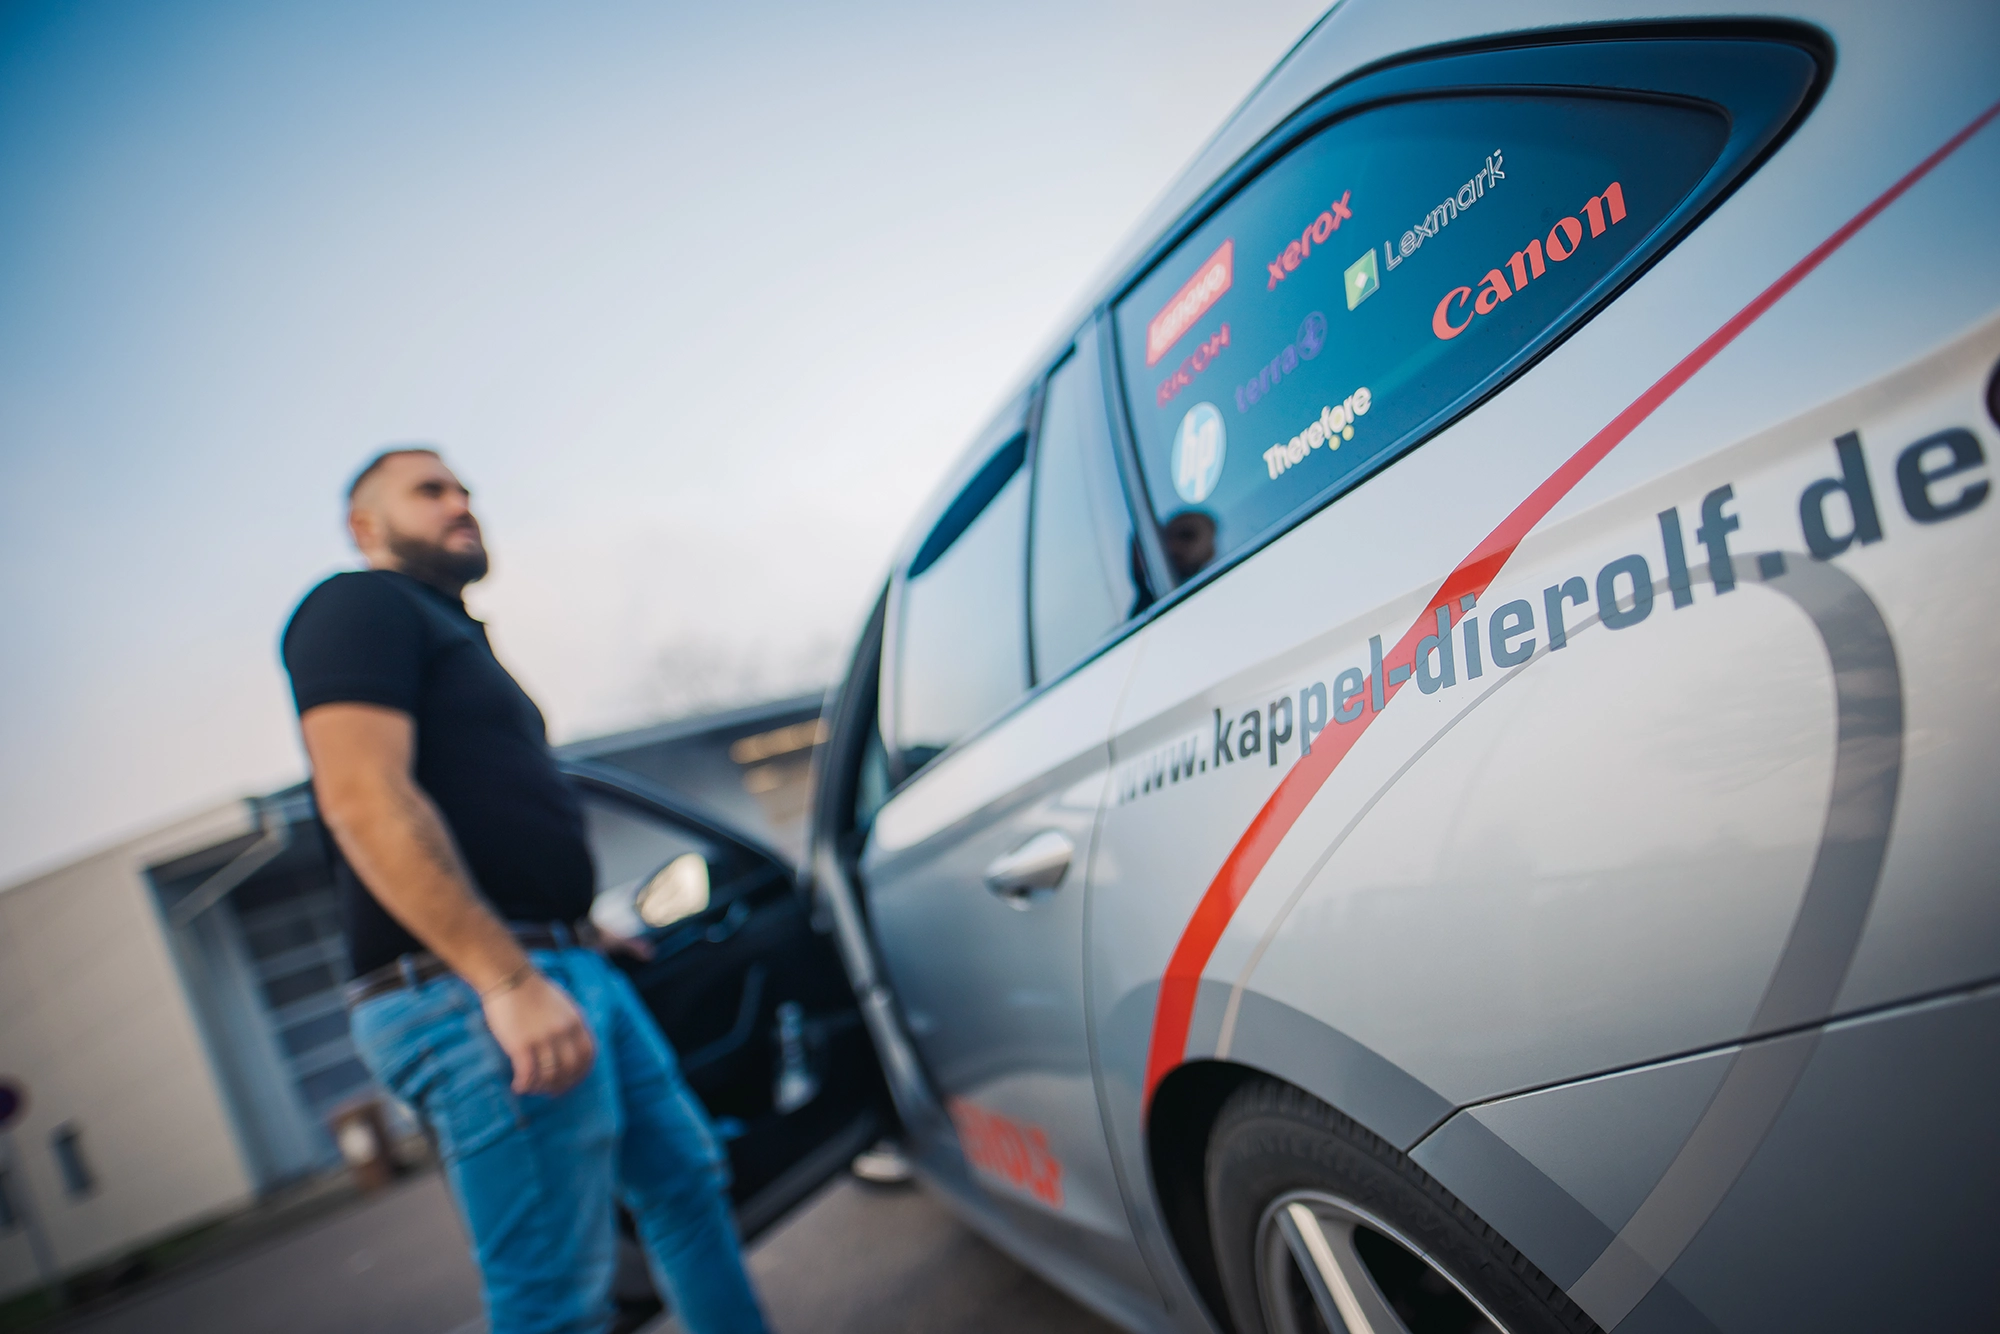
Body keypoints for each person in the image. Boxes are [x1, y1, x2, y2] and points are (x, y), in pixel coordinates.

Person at [280, 447, 768, 1334]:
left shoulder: (459, 639)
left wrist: (580, 930)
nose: (460, 503)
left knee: (688, 1190)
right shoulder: (355, 606)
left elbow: (492, 804)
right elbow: (364, 797)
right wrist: (505, 978)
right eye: (430, 492)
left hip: (563, 966)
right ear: (365, 528)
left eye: (464, 489)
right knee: (552, 1300)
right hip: (471, 988)